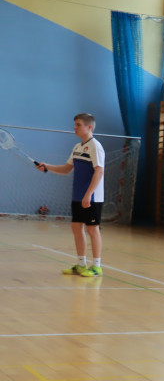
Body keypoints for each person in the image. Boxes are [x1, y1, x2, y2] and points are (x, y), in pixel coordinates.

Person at [37, 113, 106, 277]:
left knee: (92, 229)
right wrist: (47, 166)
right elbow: (67, 169)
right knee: (76, 228)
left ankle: (97, 266)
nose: (74, 127)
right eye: (75, 124)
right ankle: (81, 264)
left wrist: (89, 194)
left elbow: (99, 170)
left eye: (78, 124)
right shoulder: (77, 147)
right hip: (78, 195)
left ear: (89, 127)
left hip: (92, 197)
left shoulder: (95, 146)